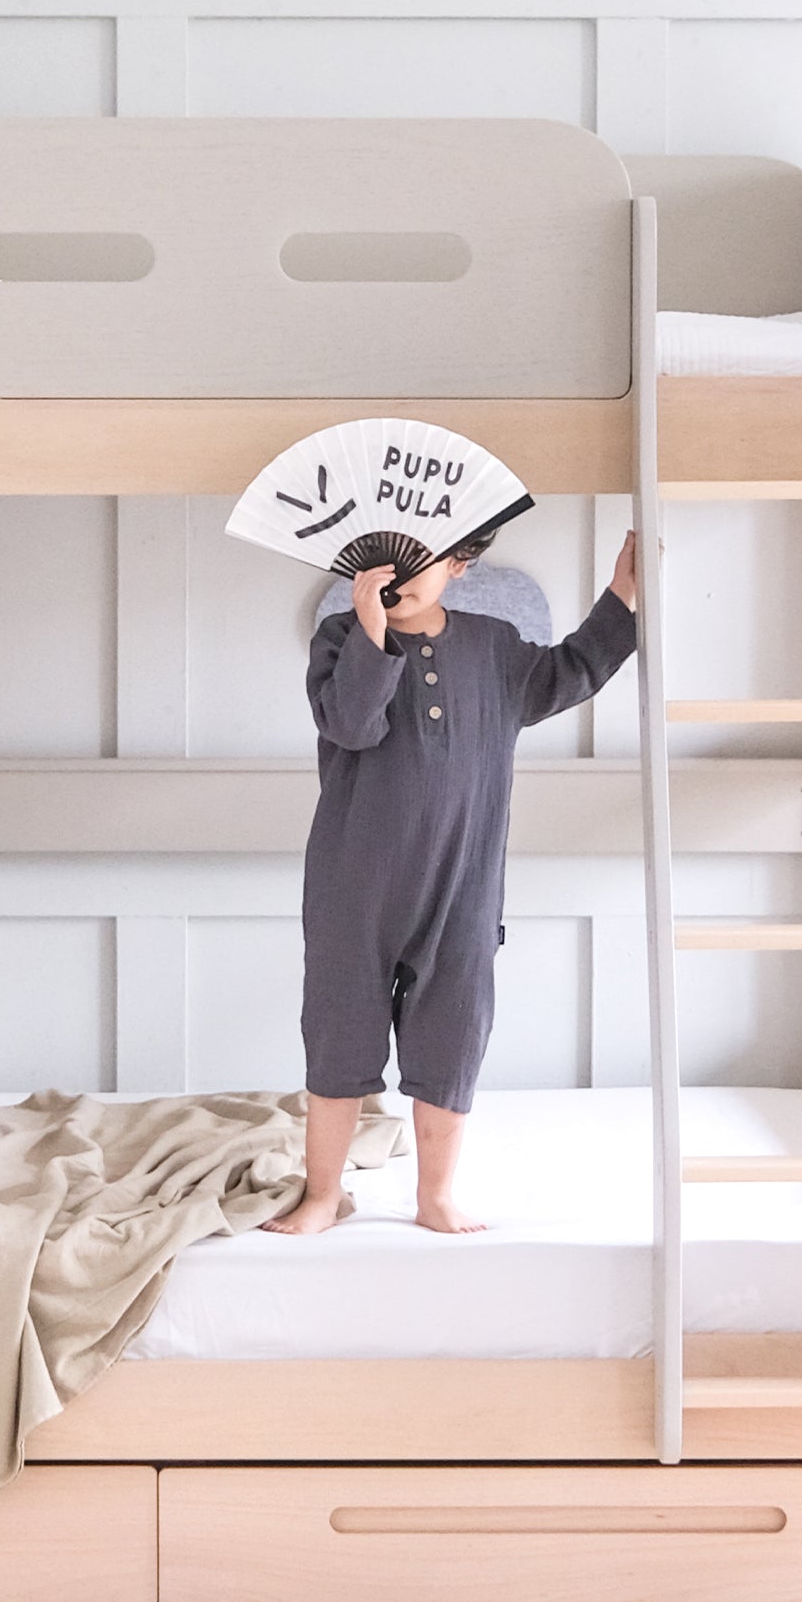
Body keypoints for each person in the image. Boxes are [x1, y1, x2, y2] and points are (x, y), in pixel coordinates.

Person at [265, 529, 639, 1237]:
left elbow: (575, 669)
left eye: (419, 558)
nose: (396, 572)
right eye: (383, 557)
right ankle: (322, 1194)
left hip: (462, 888)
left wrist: (623, 591)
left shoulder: (495, 648)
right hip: (354, 888)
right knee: (339, 1038)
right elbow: (352, 724)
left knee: (453, 1038)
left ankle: (435, 1195)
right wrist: (371, 632)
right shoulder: (340, 640)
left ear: (460, 565)